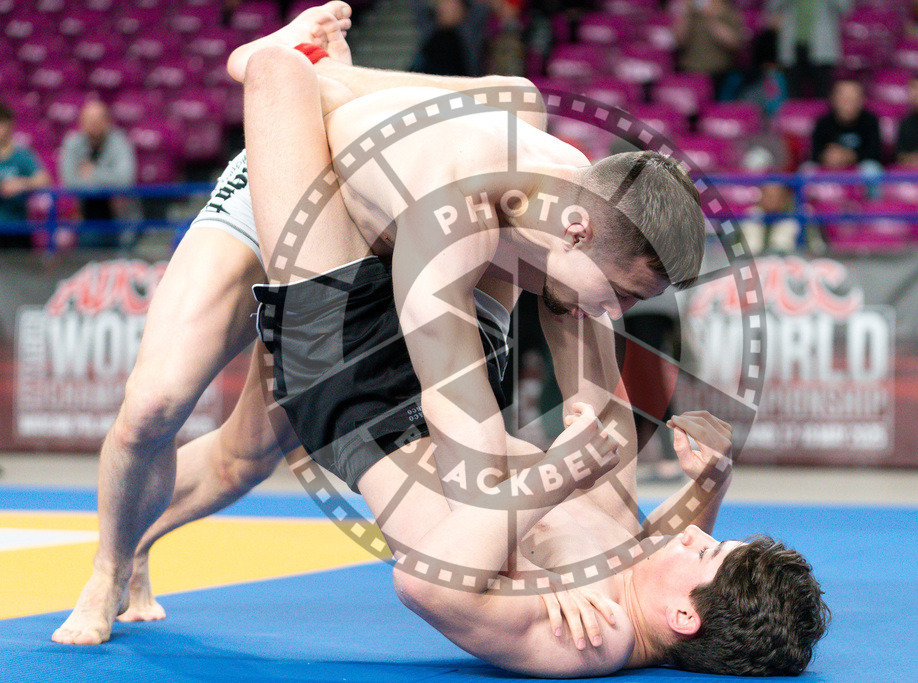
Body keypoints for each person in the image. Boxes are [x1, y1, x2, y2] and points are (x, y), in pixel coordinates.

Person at [56, 6, 829, 676]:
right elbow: (600, 466)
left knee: (277, 80)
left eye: (706, 550)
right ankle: (116, 557)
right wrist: (709, 478)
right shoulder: (637, 569)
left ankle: (301, 65)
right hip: (417, 292)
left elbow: (429, 584)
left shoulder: (594, 634)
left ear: (686, 617)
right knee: (518, 105)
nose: (697, 533)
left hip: (358, 386)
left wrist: (550, 483)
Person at [59, 99, 137, 245]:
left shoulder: (120, 141)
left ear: (108, 121)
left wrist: (93, 173)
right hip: (85, 218)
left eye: (98, 118)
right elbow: (69, 182)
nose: (94, 123)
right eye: (89, 119)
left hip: (120, 219)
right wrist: (108, 178)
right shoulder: (72, 143)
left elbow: (125, 179)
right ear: (81, 122)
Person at [768, 0, 851, 99]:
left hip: (822, 47)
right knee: (792, 94)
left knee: (822, 93)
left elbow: (845, 7)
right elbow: (772, 6)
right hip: (792, 47)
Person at [0, 100, 51, 248]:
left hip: (17, 227)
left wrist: (21, 184)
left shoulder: (21, 155)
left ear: (9, 125)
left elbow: (44, 179)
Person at [671, 0, 745, 100]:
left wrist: (710, 18)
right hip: (690, 72)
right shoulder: (689, 13)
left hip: (719, 74)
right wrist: (686, 14)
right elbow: (679, 41)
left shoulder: (727, 11)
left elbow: (734, 43)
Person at [809, 79, 883, 173]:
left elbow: (875, 153)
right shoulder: (822, 122)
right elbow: (814, 153)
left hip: (859, 166)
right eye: (844, 99)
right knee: (807, 169)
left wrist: (848, 156)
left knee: (872, 169)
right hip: (828, 164)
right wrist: (826, 156)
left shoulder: (870, 120)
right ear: (833, 99)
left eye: (853, 99)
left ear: (862, 100)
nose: (848, 104)